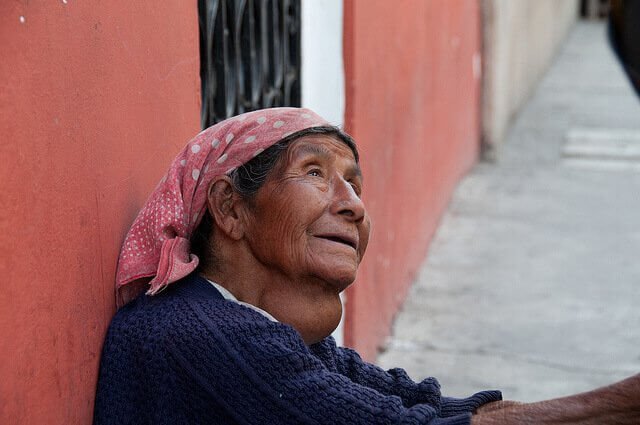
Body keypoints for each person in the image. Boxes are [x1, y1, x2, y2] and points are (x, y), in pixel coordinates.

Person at [94, 107, 639, 424]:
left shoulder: (257, 326)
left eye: (353, 181)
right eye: (314, 172)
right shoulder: (199, 335)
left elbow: (418, 403)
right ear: (231, 209)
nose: (353, 202)